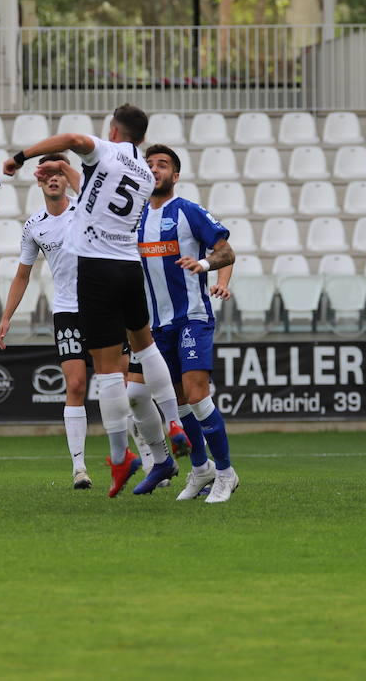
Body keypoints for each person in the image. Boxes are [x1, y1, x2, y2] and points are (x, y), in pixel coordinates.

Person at [2, 104, 186, 497]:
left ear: (114, 130)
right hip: (129, 267)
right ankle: (175, 422)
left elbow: (72, 140)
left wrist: (20, 157)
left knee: (107, 373)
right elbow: (92, 194)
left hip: (97, 271)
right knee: (145, 345)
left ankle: (120, 459)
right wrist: (64, 172)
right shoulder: (141, 170)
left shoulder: (107, 149)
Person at [135, 145, 240, 503]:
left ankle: (226, 473)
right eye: (149, 164)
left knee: (196, 394)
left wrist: (206, 266)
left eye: (162, 165)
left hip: (192, 318)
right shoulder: (135, 219)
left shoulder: (188, 211)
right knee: (177, 403)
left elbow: (226, 251)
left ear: (175, 176)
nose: (154, 169)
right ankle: (200, 469)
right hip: (156, 326)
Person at [0, 155, 99, 489]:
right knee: (76, 386)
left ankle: (149, 458)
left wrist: (74, 173)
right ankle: (79, 468)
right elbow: (22, 275)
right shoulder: (34, 225)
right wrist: (7, 316)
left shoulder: (85, 207)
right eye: (48, 174)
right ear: (39, 182)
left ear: (67, 179)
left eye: (60, 173)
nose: (54, 179)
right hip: (68, 311)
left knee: (126, 386)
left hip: (104, 307)